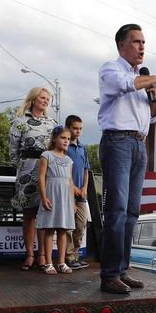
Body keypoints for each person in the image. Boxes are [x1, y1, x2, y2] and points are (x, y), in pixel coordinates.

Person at [98, 23, 156, 294]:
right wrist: (153, 79)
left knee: (131, 213)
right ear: (122, 45)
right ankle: (108, 275)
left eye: (144, 42)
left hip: (139, 145)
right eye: (137, 42)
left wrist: (153, 96)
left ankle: (122, 271)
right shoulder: (110, 69)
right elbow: (126, 85)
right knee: (115, 211)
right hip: (117, 142)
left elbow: (153, 116)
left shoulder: (142, 78)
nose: (142, 47)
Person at [9, 87, 58, 271]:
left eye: (48, 99)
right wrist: (22, 167)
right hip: (27, 170)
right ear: (33, 99)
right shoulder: (19, 122)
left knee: (44, 214)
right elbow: (13, 150)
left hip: (47, 171)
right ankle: (29, 254)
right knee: (29, 214)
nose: (46, 101)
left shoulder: (52, 123)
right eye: (42, 98)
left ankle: (43, 255)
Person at [36, 126, 76, 275]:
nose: (66, 141)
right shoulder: (46, 155)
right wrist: (44, 197)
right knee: (50, 229)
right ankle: (48, 263)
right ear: (54, 138)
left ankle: (61, 262)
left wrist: (72, 202)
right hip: (52, 194)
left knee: (63, 230)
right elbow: (41, 177)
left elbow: (71, 181)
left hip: (65, 197)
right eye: (63, 138)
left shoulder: (69, 160)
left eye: (68, 139)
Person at [64, 115, 90, 271]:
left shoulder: (83, 148)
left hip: (82, 194)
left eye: (80, 128)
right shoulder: (65, 147)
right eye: (75, 128)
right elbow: (64, 169)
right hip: (67, 192)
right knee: (68, 227)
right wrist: (72, 186)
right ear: (68, 128)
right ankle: (69, 257)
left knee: (81, 225)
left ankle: (76, 254)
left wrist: (85, 186)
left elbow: (86, 169)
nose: (78, 131)